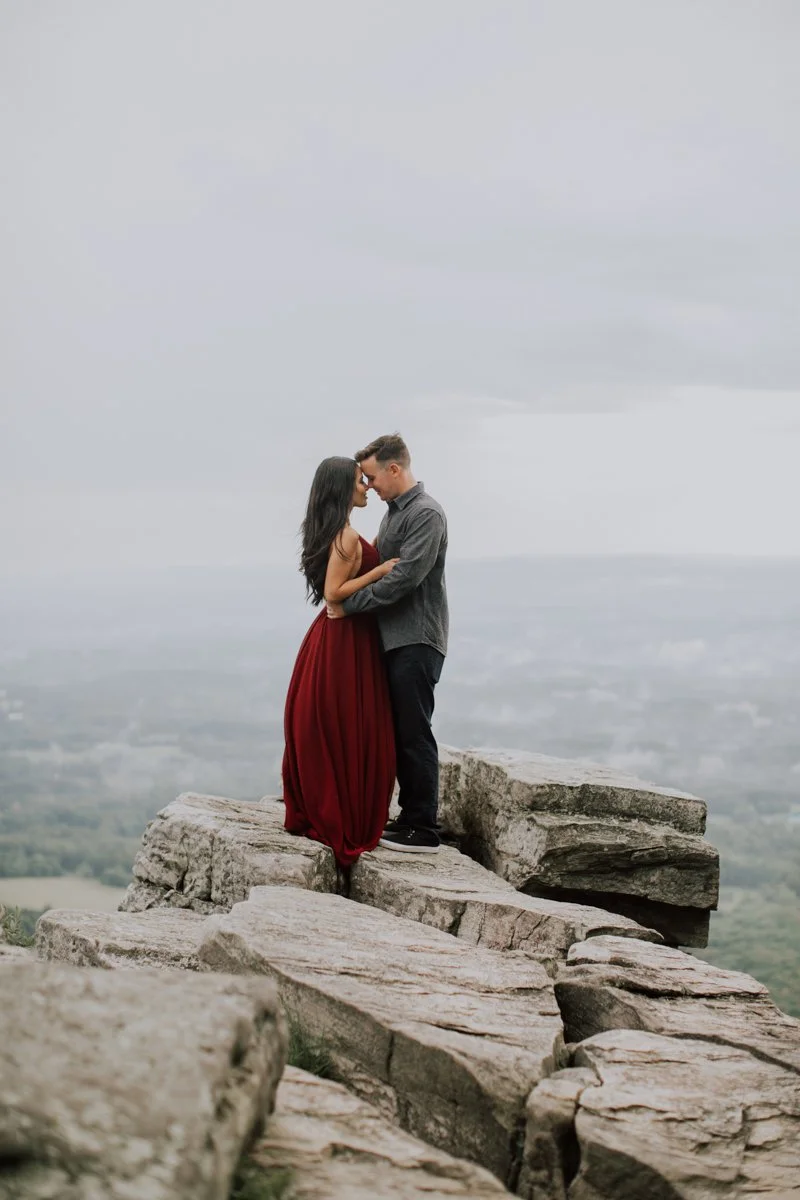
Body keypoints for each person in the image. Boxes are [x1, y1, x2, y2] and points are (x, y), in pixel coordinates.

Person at [327, 433, 448, 853]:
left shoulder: (426, 514)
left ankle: (422, 827)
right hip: (393, 639)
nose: (369, 485)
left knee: (414, 730)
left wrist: (347, 605)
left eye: (372, 477)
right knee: (397, 729)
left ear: (394, 469)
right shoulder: (395, 515)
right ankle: (407, 816)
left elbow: (403, 579)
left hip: (416, 637)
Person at [282, 456, 398, 869]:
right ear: (342, 489)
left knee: (346, 722)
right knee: (352, 722)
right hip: (345, 637)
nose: (365, 487)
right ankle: (348, 811)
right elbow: (334, 593)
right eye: (359, 481)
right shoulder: (346, 536)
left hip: (340, 636)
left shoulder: (339, 533)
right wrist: (380, 571)